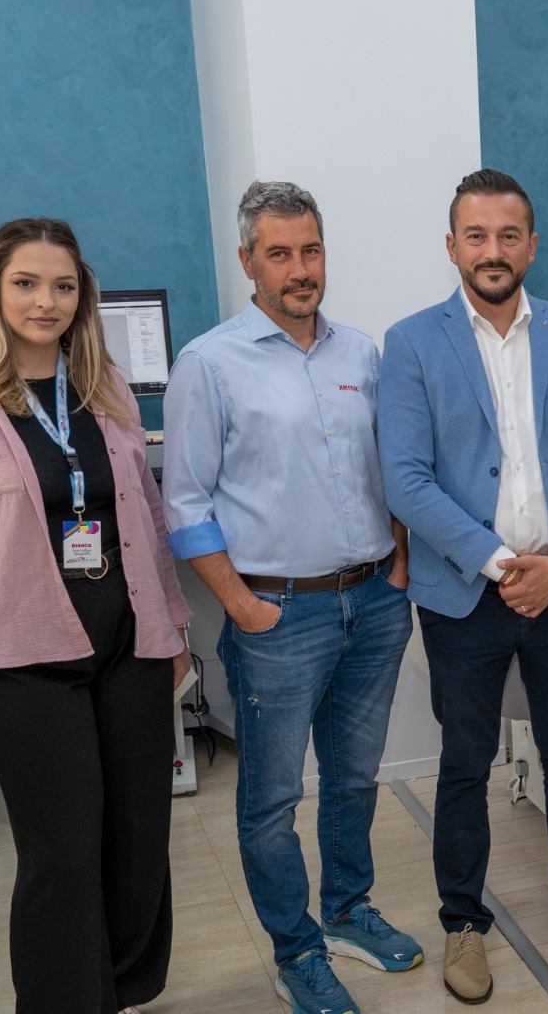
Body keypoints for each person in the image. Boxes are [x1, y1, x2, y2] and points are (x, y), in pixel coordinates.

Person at [0, 218, 191, 1013]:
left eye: (63, 286)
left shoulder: (101, 380)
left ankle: (120, 991)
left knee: (138, 837)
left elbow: (146, 514)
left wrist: (172, 624)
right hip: (18, 657)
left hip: (128, 641)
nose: (46, 301)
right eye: (25, 283)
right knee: (62, 850)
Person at [163, 181, 420, 1014]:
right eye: (279, 254)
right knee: (273, 799)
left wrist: (401, 566)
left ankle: (347, 911)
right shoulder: (210, 362)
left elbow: (393, 468)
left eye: (310, 250)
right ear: (248, 262)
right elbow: (185, 505)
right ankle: (296, 949)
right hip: (278, 616)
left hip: (374, 602)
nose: (300, 269)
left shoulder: (362, 354)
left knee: (355, 777)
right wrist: (241, 607)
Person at [378, 169, 548, 1003]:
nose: (493, 250)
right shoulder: (412, 342)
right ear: (452, 247)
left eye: (508, 235)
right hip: (464, 595)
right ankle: (463, 923)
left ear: (531, 245)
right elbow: (407, 480)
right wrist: (497, 563)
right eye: (477, 236)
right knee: (464, 764)